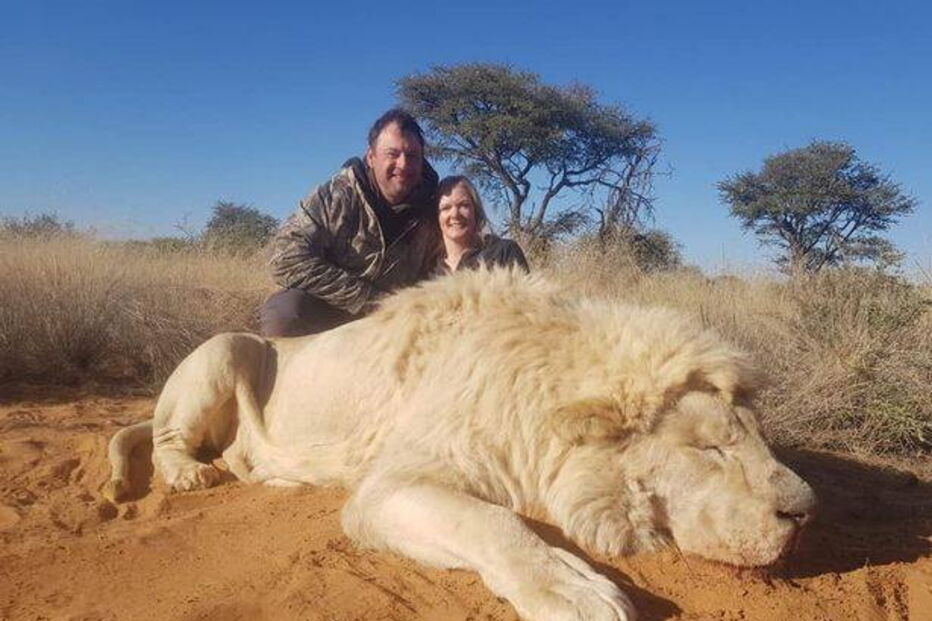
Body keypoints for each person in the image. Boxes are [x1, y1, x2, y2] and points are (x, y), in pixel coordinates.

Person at [260, 109, 440, 337]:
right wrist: (369, 300)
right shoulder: (335, 196)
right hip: (331, 308)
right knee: (285, 312)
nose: (403, 164)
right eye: (392, 154)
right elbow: (284, 258)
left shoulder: (438, 207)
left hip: (399, 319)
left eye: (412, 155)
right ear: (371, 157)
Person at [433, 175, 529, 275]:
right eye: (446, 208)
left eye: (464, 205)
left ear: (476, 211)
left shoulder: (503, 252)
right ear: (436, 215)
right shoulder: (428, 269)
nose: (455, 214)